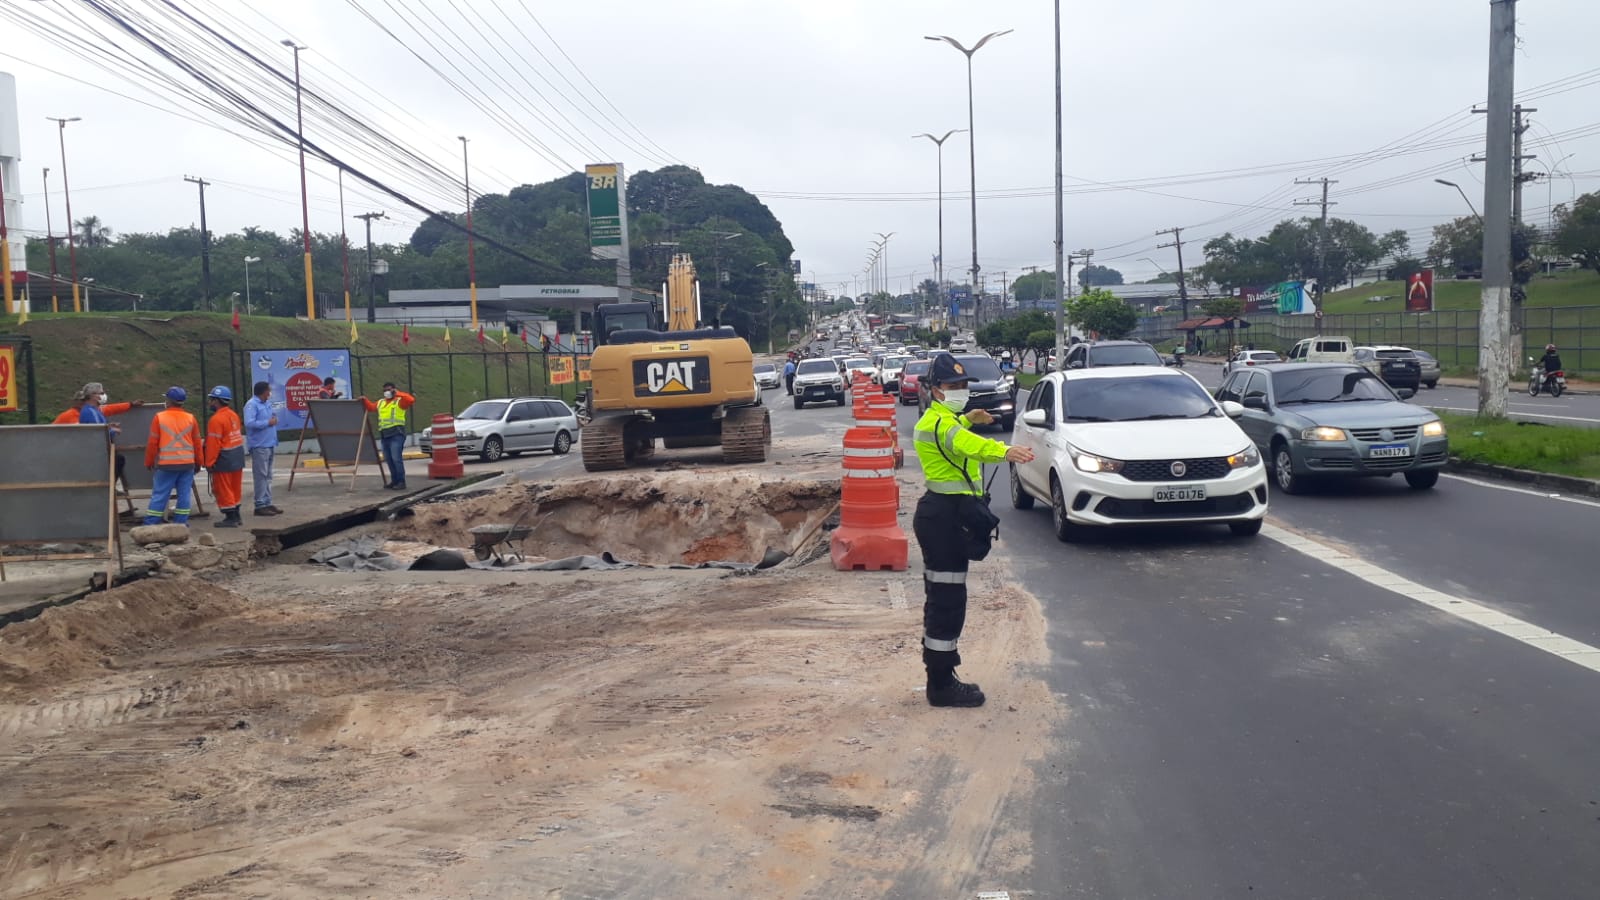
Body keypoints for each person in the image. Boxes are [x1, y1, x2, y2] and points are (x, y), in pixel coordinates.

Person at [910, 353, 1034, 708]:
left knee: (945, 598)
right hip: (944, 520)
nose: (960, 391)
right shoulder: (942, 425)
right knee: (947, 603)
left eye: (963, 386)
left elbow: (952, 433)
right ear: (935, 391)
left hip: (943, 517)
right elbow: (967, 445)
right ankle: (941, 685)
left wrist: (967, 417)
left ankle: (942, 676)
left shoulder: (941, 418)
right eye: (952, 387)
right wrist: (1006, 451)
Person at [142, 387, 201, 526]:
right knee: (184, 494)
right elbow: (197, 443)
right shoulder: (191, 418)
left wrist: (149, 461)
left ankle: (151, 524)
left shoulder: (159, 417)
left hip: (166, 465)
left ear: (168, 401)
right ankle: (181, 523)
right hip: (187, 464)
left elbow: (152, 443)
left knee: (160, 494)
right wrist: (199, 462)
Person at [202, 386, 246, 528]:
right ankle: (237, 515)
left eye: (211, 400)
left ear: (216, 401)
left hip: (224, 458)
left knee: (224, 488)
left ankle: (230, 517)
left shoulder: (216, 420)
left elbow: (213, 444)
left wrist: (209, 462)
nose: (210, 403)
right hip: (237, 456)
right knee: (235, 487)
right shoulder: (233, 415)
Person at [360, 382, 416, 490]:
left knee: (396, 458)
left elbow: (411, 400)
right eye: (384, 390)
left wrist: (398, 393)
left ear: (394, 390)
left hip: (396, 434)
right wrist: (364, 400)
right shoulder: (381, 402)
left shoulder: (399, 402)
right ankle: (394, 481)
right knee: (389, 459)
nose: (386, 392)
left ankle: (401, 482)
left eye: (389, 390)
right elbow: (371, 407)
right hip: (385, 435)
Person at [244, 381, 282, 517]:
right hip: (259, 445)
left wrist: (273, 420)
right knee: (261, 476)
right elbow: (249, 423)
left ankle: (267, 502)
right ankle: (259, 504)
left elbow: (272, 417)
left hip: (270, 443)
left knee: (268, 475)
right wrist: (267, 423)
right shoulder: (252, 405)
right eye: (268, 391)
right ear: (263, 391)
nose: (270, 393)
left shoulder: (266, 403)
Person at [53, 383, 141, 424]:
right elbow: (82, 432)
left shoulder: (94, 410)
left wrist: (130, 404)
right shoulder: (70, 415)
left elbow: (112, 408)